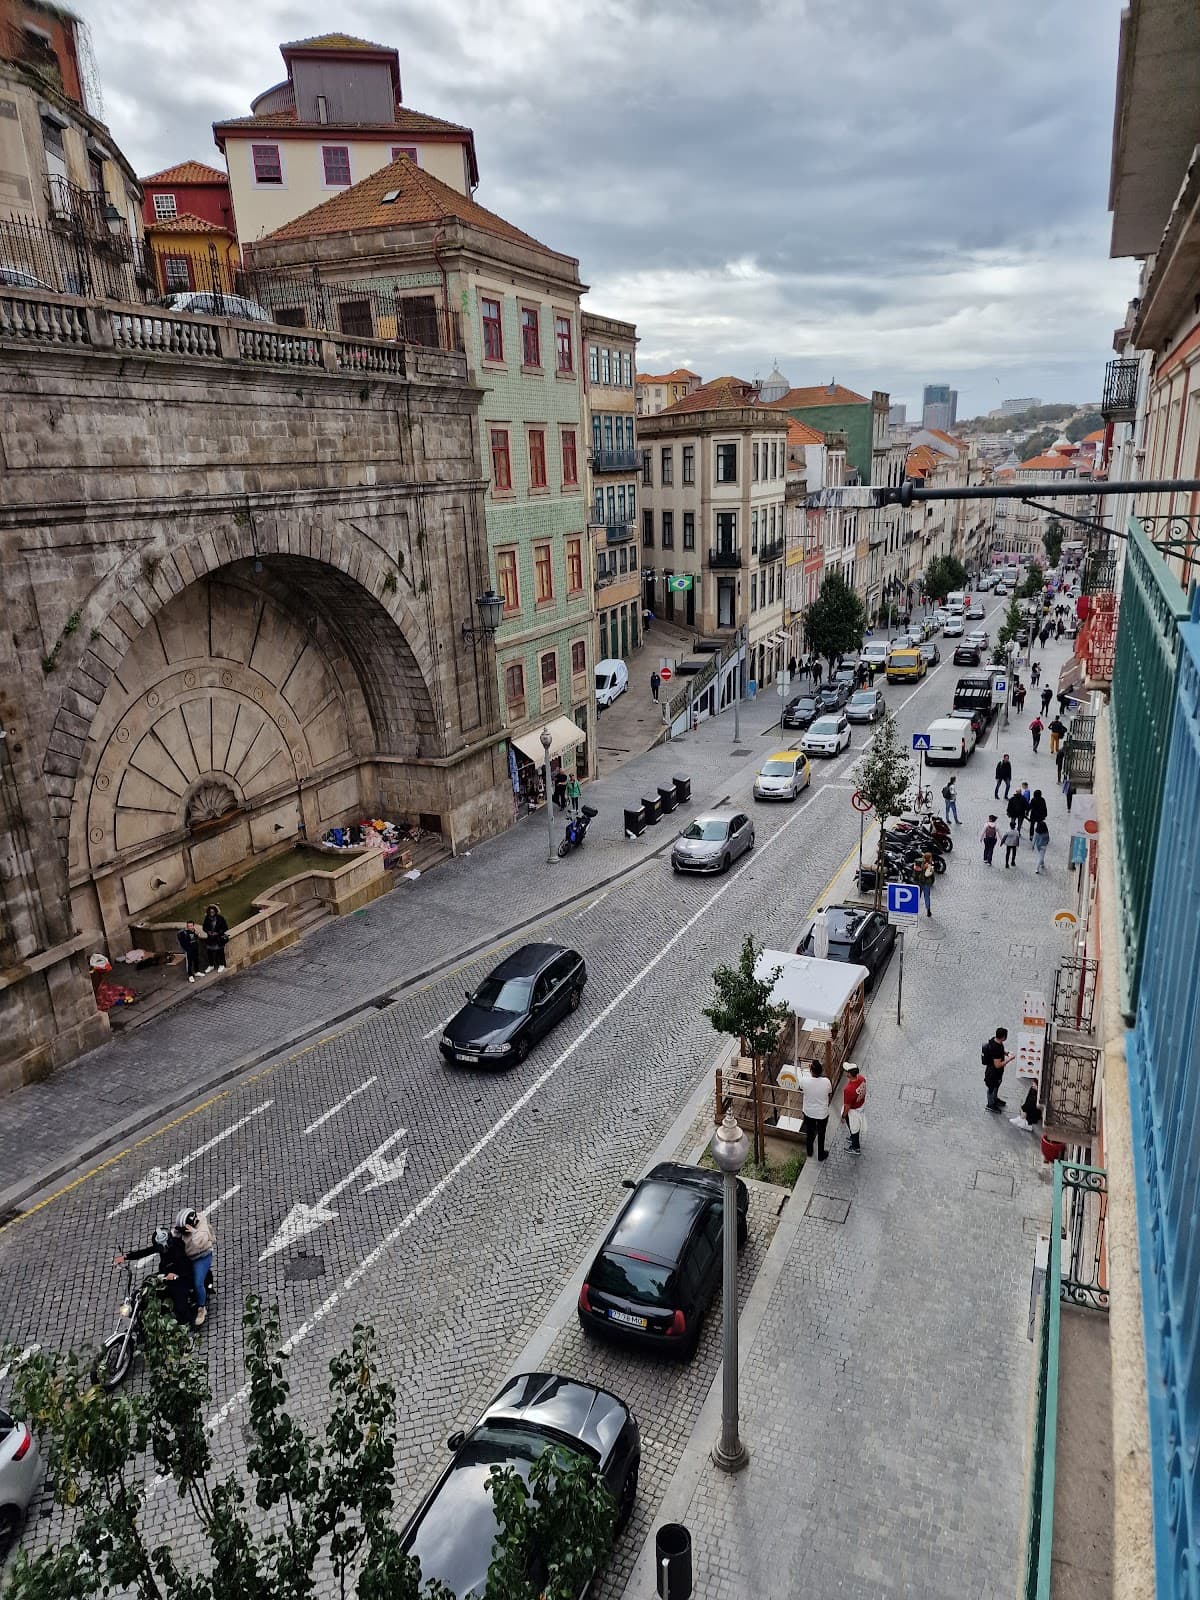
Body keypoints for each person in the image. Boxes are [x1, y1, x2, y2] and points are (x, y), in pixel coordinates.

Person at [113, 1225, 191, 1323]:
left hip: (180, 1277)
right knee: (147, 1288)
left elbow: (185, 1266)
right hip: (165, 1275)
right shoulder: (160, 1246)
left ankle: (188, 1323)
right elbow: (145, 1252)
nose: (164, 1249)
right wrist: (125, 1257)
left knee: (180, 1304)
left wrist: (176, 1275)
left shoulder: (177, 1248)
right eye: (161, 1248)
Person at [173, 1207, 214, 1328]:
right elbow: (175, 1234)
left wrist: (194, 1232)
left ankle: (201, 1308)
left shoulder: (201, 1227)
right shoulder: (182, 1228)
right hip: (187, 1256)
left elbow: (199, 1241)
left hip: (201, 1256)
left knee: (198, 1283)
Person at [800, 1061, 832, 1162]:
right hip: (822, 1113)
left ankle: (809, 1152)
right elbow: (830, 1092)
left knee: (809, 1132)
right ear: (821, 1071)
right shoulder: (826, 1081)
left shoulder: (804, 1081)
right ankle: (821, 1155)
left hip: (808, 1112)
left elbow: (801, 1088)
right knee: (821, 1134)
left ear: (811, 1070)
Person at [982, 1026, 1014, 1112]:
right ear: (1003, 1037)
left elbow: (1000, 1050)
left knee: (996, 1086)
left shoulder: (994, 1040)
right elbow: (998, 1065)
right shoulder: (995, 1048)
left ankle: (994, 1099)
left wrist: (1006, 1053)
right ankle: (990, 1104)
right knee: (991, 1089)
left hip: (997, 1073)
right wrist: (1009, 1059)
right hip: (993, 1073)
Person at [841, 1064, 867, 1154]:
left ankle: (856, 1147)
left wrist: (843, 1116)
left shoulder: (848, 1090)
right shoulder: (861, 1078)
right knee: (855, 1126)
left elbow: (847, 1106)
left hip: (853, 1111)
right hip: (860, 1105)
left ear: (849, 1074)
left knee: (854, 1128)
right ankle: (853, 1137)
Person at [202, 904, 228, 974]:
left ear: (215, 911)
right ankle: (211, 965)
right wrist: (208, 932)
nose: (212, 913)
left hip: (219, 938)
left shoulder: (220, 918)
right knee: (209, 952)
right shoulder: (207, 918)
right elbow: (204, 927)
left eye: (213, 912)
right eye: (210, 912)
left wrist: (218, 933)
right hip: (210, 938)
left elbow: (225, 927)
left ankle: (221, 965)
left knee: (220, 952)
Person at [917, 851, 935, 917]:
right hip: (926, 883)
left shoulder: (920, 863)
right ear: (929, 858)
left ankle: (915, 909)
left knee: (917, 896)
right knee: (927, 897)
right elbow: (929, 875)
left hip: (919, 882)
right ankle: (928, 910)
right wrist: (932, 871)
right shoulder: (929, 865)